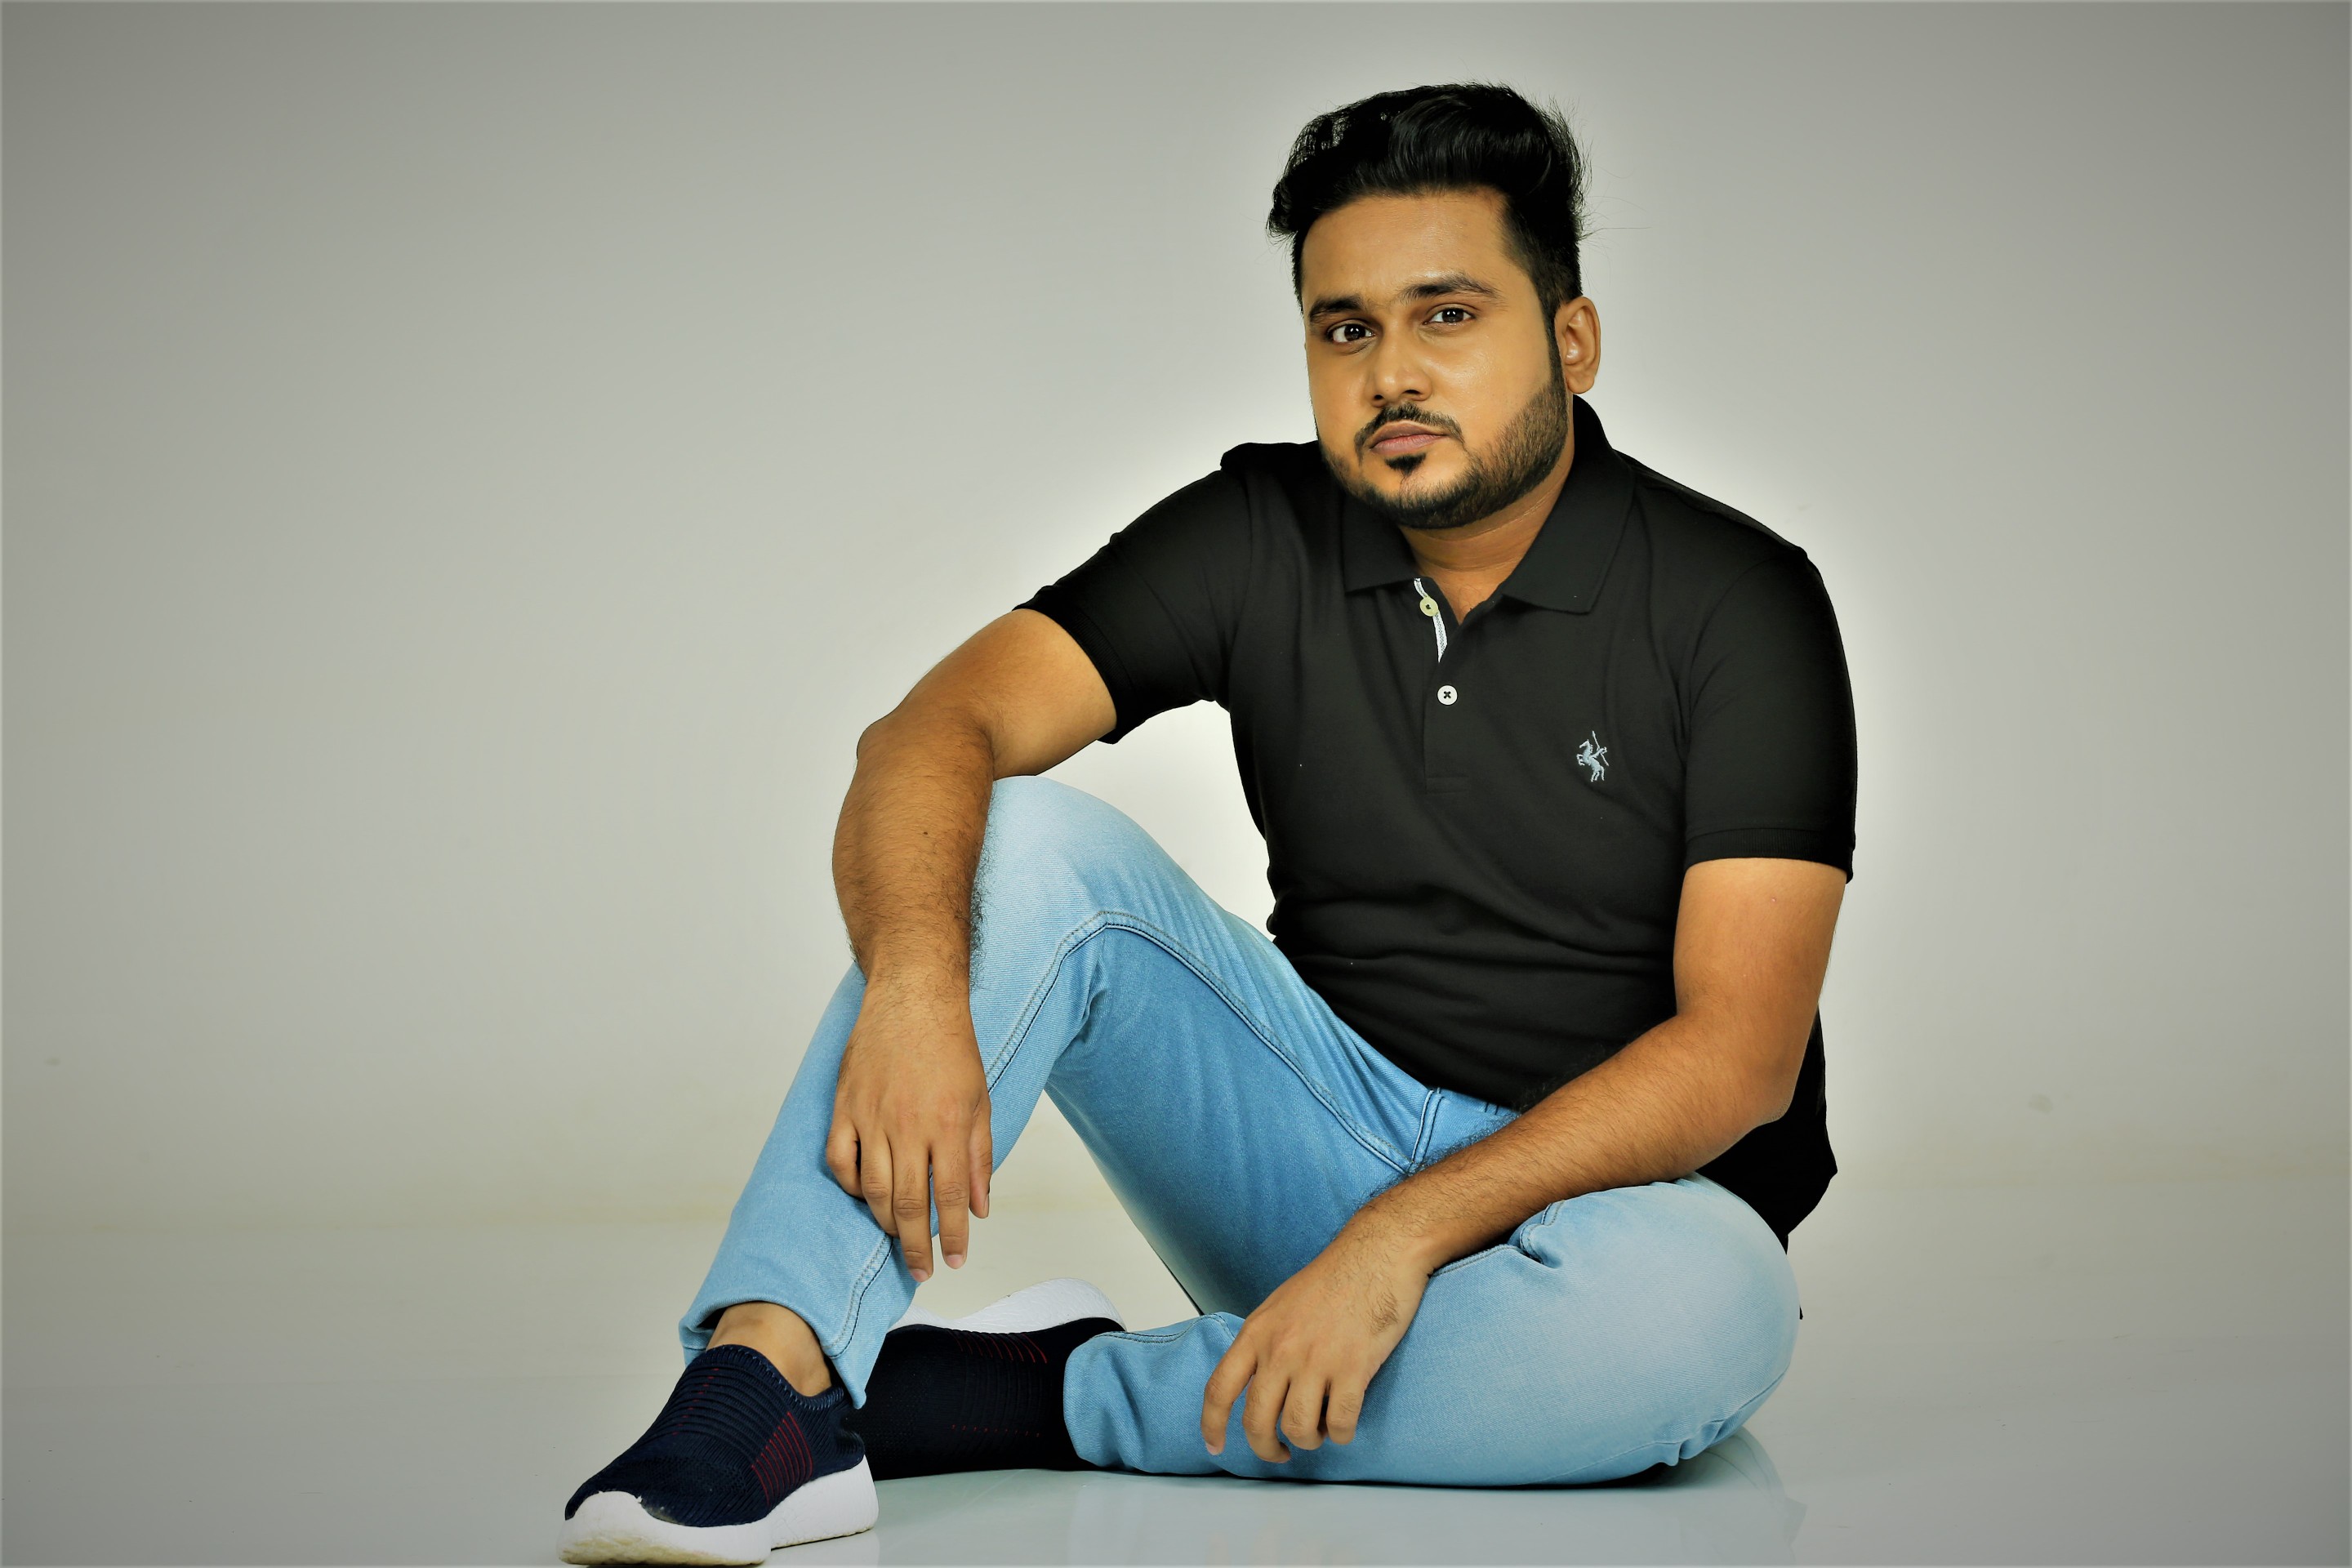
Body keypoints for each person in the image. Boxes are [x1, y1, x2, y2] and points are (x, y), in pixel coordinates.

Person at [558, 80, 1857, 1566]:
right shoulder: (1261, 528)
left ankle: (1035, 1397)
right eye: (1345, 329)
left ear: (1572, 340)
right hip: (1310, 1151)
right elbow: (932, 732)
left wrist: (1401, 1240)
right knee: (1016, 845)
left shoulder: (1739, 599)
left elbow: (1738, 1052)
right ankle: (768, 1381)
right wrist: (918, 983)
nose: (1391, 374)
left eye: (1447, 316)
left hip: (1619, 1212)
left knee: (1700, 1323)